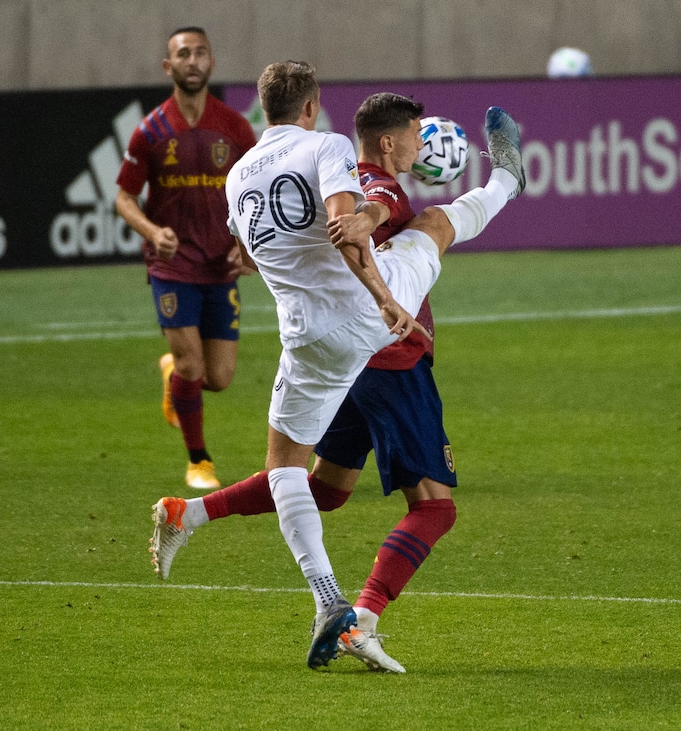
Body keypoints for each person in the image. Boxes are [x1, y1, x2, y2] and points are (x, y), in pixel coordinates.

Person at [149, 60, 526, 670]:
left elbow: (246, 244)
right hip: (374, 332)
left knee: (300, 478)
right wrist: (384, 298)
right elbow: (357, 216)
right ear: (310, 107)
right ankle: (508, 179)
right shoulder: (332, 150)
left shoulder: (239, 173)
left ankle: (215, 530)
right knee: (436, 224)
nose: (418, 141)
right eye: (413, 133)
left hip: (305, 338)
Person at [115, 26, 257, 489]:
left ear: (211, 64)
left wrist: (246, 244)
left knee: (218, 378)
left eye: (200, 53)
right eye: (183, 54)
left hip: (220, 265)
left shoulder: (235, 127)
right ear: (168, 66)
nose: (192, 61)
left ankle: (171, 370)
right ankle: (199, 461)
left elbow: (256, 191)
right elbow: (123, 198)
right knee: (194, 367)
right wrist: (154, 232)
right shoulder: (150, 130)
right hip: (172, 266)